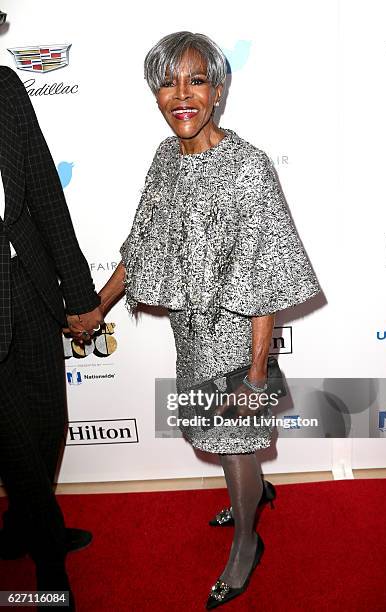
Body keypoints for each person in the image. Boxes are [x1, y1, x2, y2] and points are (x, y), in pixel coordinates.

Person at [98, 31, 322, 609]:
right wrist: (98, 306)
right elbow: (142, 244)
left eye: (196, 80)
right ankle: (256, 491)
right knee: (225, 441)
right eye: (168, 82)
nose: (181, 94)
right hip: (190, 336)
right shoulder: (163, 158)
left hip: (238, 338)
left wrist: (254, 377)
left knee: (235, 439)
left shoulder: (248, 166)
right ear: (154, 93)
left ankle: (247, 542)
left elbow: (268, 272)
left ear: (218, 91)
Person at [0, 66, 104, 608]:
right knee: (14, 443)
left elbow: (42, 187)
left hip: (29, 286)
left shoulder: (7, 88)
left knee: (47, 424)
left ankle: (21, 526)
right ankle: (47, 555)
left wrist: (80, 291)